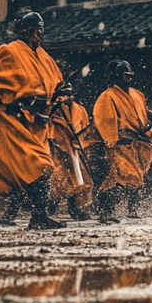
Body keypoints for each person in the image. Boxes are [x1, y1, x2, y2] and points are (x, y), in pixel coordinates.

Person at [0, 11, 69, 230]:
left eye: (40, 32)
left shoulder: (45, 57)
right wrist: (16, 99)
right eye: (34, 31)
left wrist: (61, 91)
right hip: (8, 119)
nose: (37, 36)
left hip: (34, 122)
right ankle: (39, 216)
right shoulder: (9, 51)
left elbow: (54, 85)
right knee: (37, 164)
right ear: (23, 31)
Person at [91, 61, 152, 223]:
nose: (129, 79)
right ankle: (105, 210)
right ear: (117, 76)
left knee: (123, 178)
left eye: (130, 76)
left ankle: (109, 210)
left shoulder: (137, 94)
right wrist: (114, 138)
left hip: (138, 142)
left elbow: (141, 112)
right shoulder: (108, 96)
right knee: (127, 175)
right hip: (120, 143)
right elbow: (103, 119)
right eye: (125, 76)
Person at [48, 82, 93, 221]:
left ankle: (75, 208)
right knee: (57, 179)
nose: (67, 97)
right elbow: (47, 128)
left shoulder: (80, 110)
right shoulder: (52, 110)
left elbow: (85, 128)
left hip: (75, 150)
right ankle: (48, 206)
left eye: (69, 93)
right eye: (63, 93)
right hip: (58, 148)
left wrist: (82, 142)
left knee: (78, 180)